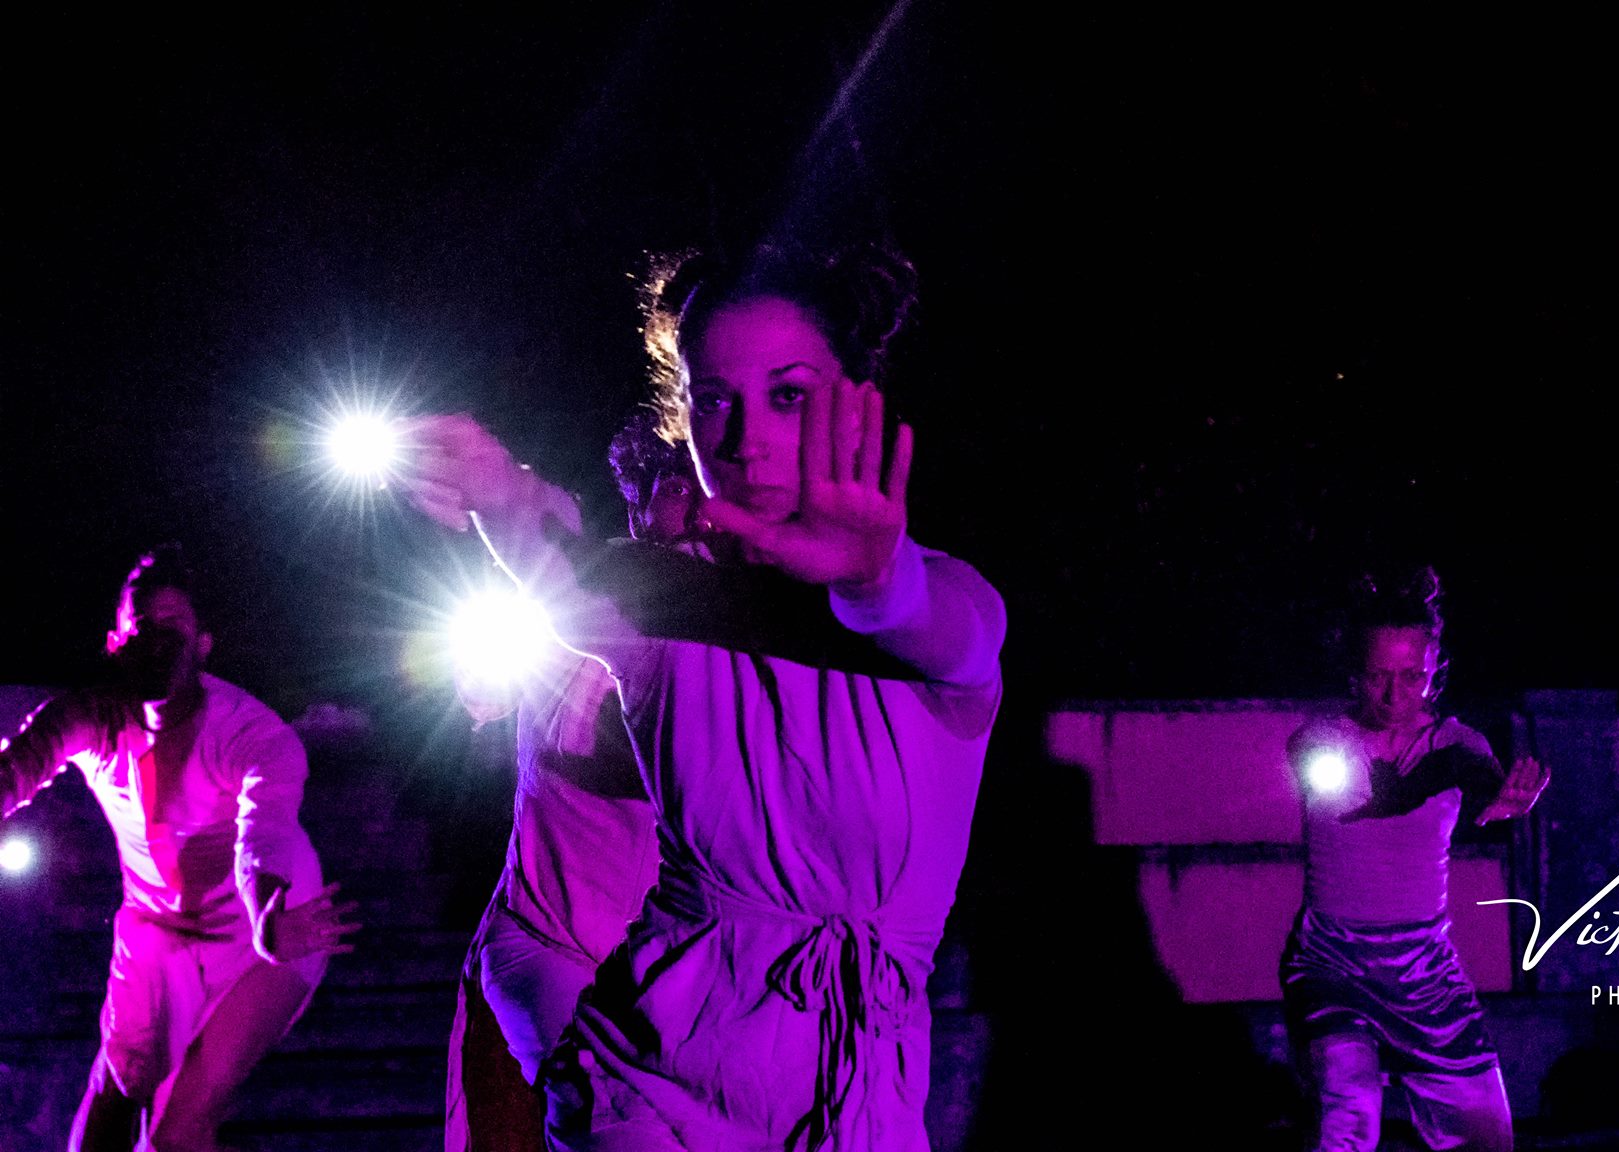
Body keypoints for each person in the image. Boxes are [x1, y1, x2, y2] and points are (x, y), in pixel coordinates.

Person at [403, 243, 1005, 1152]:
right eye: (712, 399)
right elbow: (560, 554)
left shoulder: (943, 609)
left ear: (857, 402)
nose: (743, 439)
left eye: (788, 395)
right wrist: (494, 487)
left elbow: (953, 631)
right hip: (648, 1101)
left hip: (861, 1107)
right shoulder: (658, 616)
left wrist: (876, 582)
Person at [0, 545, 359, 1152]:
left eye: (173, 629)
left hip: (272, 930)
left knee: (178, 1131)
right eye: (141, 629)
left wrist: (269, 918)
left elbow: (262, 835)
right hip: (157, 930)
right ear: (115, 644)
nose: (156, 644)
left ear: (203, 645)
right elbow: (16, 771)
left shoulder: (252, 734)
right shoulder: (89, 718)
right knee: (114, 1101)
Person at [445, 411, 695, 1152]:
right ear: (640, 506)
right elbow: (538, 525)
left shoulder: (761, 642)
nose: (705, 516)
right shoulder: (570, 607)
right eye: (680, 488)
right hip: (546, 950)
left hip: (682, 982)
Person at [1282, 569, 1548, 1152]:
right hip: (1333, 964)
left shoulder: (1457, 745)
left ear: (1433, 671)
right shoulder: (1322, 740)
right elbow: (1319, 768)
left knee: (1486, 1138)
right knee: (1350, 1113)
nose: (1393, 695)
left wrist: (1502, 801)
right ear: (1355, 673)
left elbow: (1479, 782)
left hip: (1424, 972)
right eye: (1378, 676)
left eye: (1411, 677)